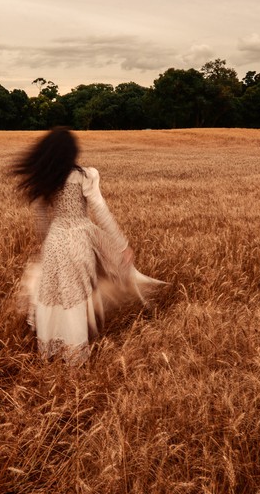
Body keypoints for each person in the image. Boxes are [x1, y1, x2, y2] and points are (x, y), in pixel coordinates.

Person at [12, 127, 164, 364]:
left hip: (55, 240)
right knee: (74, 297)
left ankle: (49, 351)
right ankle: (74, 355)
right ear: (71, 152)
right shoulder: (85, 175)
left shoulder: (45, 178)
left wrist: (46, 245)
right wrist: (121, 244)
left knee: (53, 294)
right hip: (78, 241)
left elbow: (41, 219)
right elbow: (100, 211)